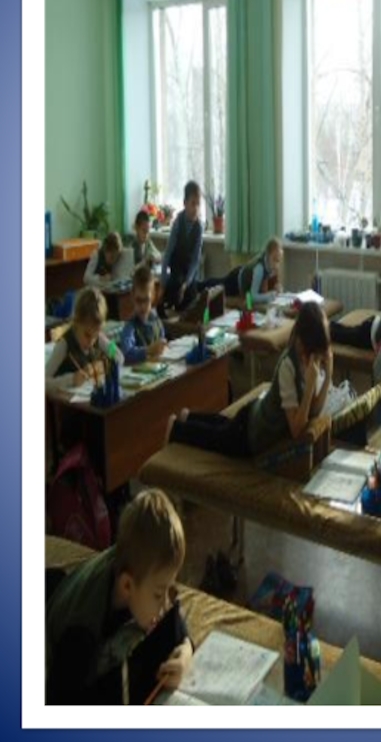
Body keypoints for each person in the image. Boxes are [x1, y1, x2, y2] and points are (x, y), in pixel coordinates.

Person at [46, 487, 193, 704]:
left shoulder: (136, 562)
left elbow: (175, 620)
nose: (165, 605)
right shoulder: (81, 633)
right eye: (158, 594)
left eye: (169, 590)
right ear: (127, 586)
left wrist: (186, 651)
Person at [166, 301, 333, 457]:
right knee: (215, 437)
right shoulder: (288, 366)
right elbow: (297, 430)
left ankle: (188, 416)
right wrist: (310, 387)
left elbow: (314, 411)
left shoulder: (310, 358)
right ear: (302, 341)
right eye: (315, 352)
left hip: (255, 414)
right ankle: (176, 428)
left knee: (223, 425)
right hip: (253, 433)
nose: (317, 358)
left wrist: (327, 377)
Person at [46, 286, 124, 391]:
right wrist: (71, 379)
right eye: (87, 335)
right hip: (66, 400)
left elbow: (119, 356)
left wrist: (102, 366)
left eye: (95, 336)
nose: (91, 342)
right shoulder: (64, 345)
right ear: (77, 322)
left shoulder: (99, 338)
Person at [197, 237, 283, 304]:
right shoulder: (259, 269)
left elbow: (268, 286)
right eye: (274, 259)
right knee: (218, 286)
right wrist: (269, 296)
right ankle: (197, 285)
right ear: (268, 255)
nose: (277, 264)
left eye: (278, 260)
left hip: (242, 273)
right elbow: (253, 296)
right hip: (236, 280)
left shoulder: (271, 266)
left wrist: (277, 288)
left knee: (218, 283)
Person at [160, 180, 203, 315]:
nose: (196, 208)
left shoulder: (199, 227)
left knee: (192, 297)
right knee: (176, 288)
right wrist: (162, 283)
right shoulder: (178, 223)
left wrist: (187, 283)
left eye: (198, 204)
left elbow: (195, 260)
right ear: (185, 203)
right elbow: (168, 253)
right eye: (192, 204)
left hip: (188, 272)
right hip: (176, 269)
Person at [120, 264, 167, 365]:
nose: (142, 306)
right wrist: (149, 350)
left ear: (153, 296)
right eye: (138, 300)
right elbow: (126, 354)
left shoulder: (156, 321)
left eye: (146, 300)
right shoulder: (130, 326)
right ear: (132, 296)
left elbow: (162, 340)